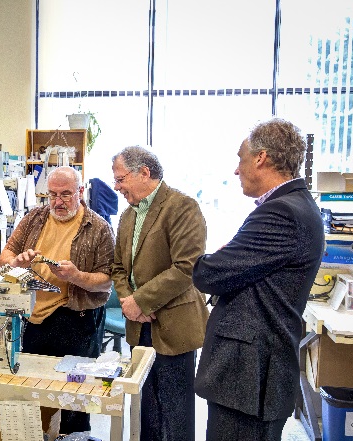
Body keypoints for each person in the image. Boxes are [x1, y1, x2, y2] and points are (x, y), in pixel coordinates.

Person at [193, 118, 325, 441]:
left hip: (249, 380)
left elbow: (209, 273)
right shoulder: (295, 207)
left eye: (240, 159)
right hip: (254, 378)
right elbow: (240, 270)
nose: (236, 171)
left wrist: (213, 261)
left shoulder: (282, 213)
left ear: (261, 158)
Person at [0, 165, 114, 434]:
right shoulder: (35, 218)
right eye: (52, 195)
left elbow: (108, 279)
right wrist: (16, 263)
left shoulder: (98, 228)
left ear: (80, 192)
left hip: (77, 320)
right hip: (35, 317)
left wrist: (77, 277)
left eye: (65, 194)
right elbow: (6, 255)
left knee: (75, 397)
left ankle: (75, 437)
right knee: (34, 391)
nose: (58, 202)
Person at [111, 146, 209, 441]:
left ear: (144, 172)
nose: (116, 187)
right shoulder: (128, 215)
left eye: (121, 179)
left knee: (175, 413)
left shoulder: (182, 207)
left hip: (173, 326)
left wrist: (140, 301)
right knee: (145, 408)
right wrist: (131, 304)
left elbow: (186, 268)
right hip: (138, 326)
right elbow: (118, 268)